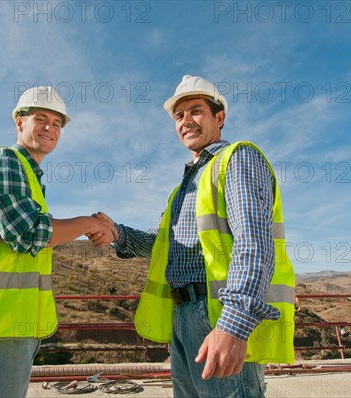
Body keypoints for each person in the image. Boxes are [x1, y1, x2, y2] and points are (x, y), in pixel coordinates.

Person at [95, 75, 295, 397]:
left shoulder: (237, 159)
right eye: (179, 115)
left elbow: (255, 243)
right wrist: (117, 233)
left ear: (219, 117)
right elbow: (166, 245)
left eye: (195, 111)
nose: (186, 120)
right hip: (183, 315)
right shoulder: (183, 187)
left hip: (216, 313)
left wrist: (233, 324)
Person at [0, 86, 116, 398]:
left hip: (10, 324)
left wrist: (95, 225)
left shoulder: (29, 176)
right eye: (40, 118)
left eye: (56, 122)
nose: (49, 127)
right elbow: (28, 233)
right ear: (19, 122)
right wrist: (88, 224)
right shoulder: (5, 161)